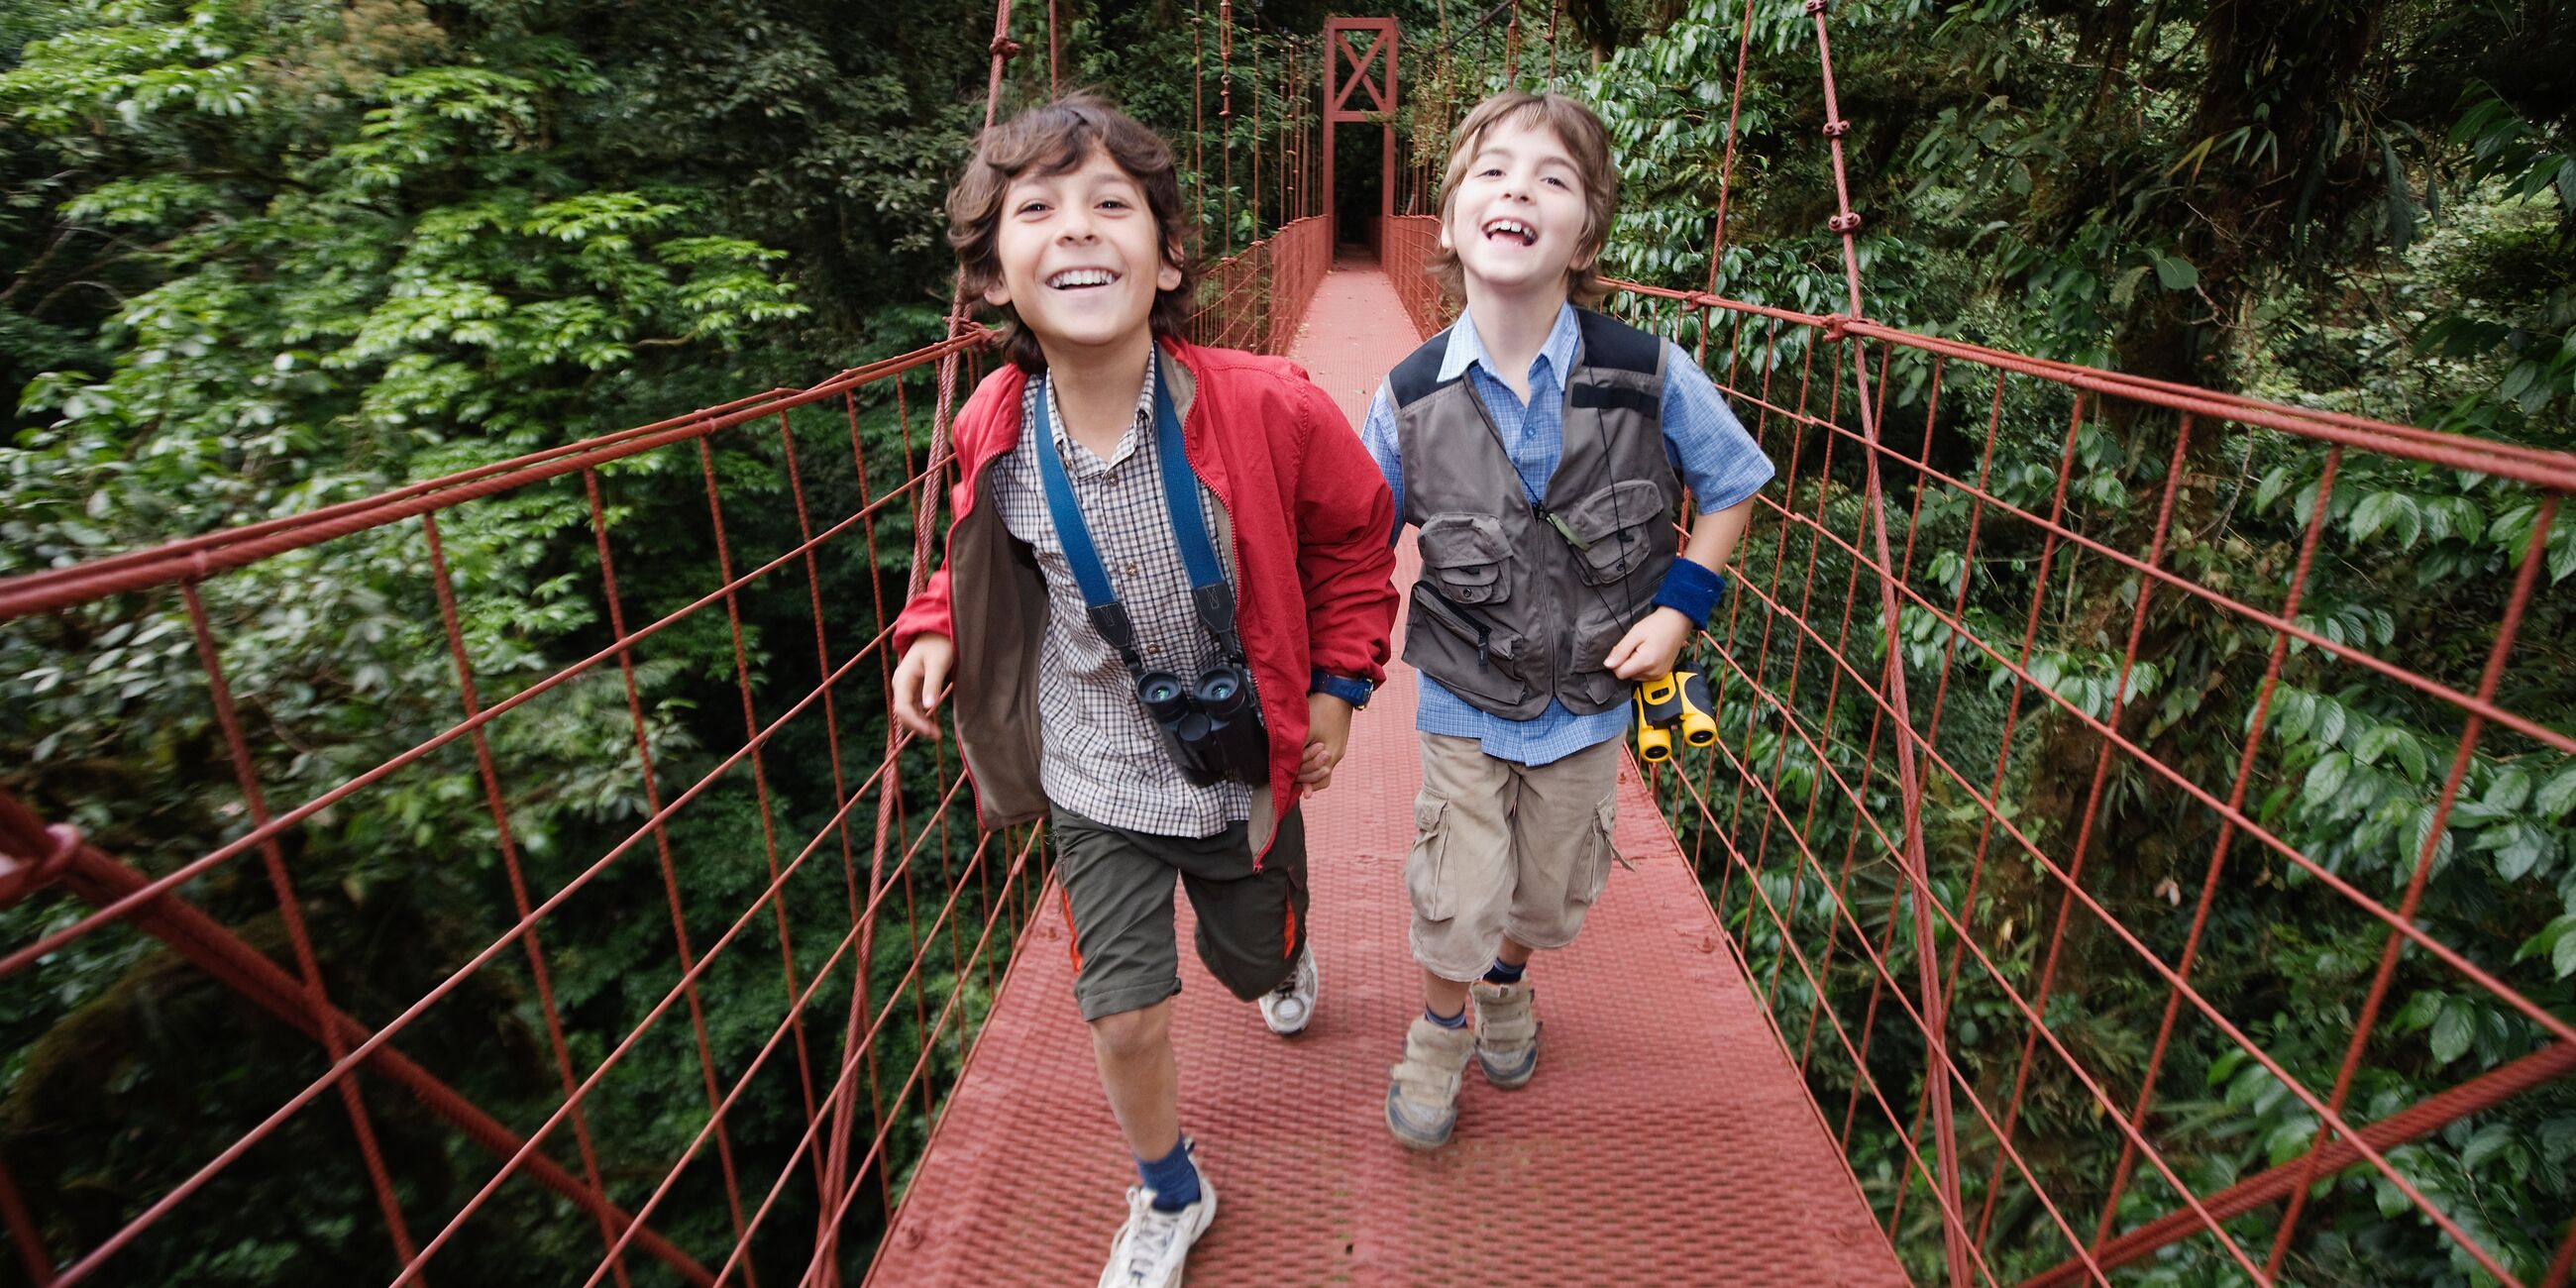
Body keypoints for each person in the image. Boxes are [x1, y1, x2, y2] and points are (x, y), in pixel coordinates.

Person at [888, 94, 1397, 1287]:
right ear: (993, 278)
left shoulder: (1267, 402)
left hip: (1236, 769)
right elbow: (974, 555)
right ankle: (1169, 1187)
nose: (1075, 229)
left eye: (1110, 203)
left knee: (1253, 967)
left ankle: (1283, 952)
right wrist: (931, 628)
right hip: (1092, 772)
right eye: (1037, 209)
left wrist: (1335, 686)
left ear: (1166, 259)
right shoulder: (992, 423)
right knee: (1120, 1011)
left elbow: (1355, 541)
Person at [1358, 91, 1773, 1150]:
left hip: (1589, 697)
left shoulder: (1646, 373)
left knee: (1547, 896)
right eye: (1491, 172)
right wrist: (1326, 675)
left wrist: (1682, 611)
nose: (1517, 191)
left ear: (1584, 231)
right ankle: (1440, 1029)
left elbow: (1729, 484)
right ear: (1446, 221)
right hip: (1463, 684)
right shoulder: (1404, 398)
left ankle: (1508, 983)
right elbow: (1354, 541)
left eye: (1552, 178)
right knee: (1456, 890)